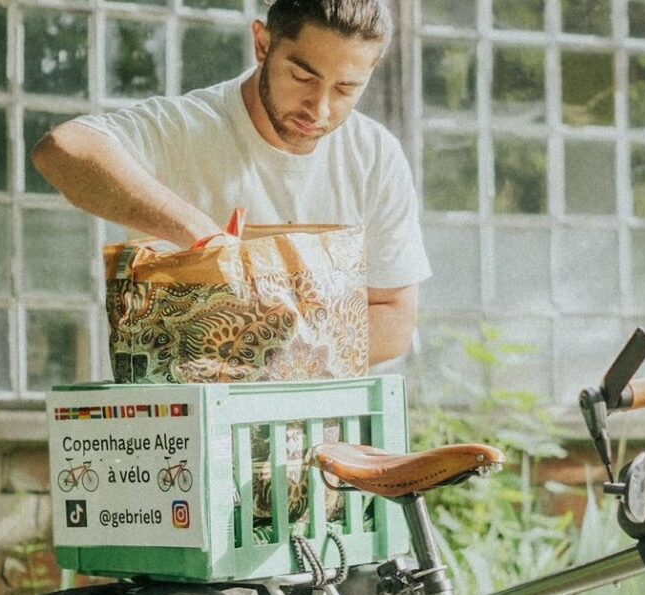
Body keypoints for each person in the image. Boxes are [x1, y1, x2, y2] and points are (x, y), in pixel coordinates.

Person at [32, 0, 431, 366]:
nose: (320, 108)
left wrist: (278, 355)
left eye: (346, 88)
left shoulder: (376, 155)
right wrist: (203, 238)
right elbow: (63, 149)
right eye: (302, 76)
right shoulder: (186, 130)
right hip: (190, 425)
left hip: (332, 432)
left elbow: (395, 316)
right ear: (262, 43)